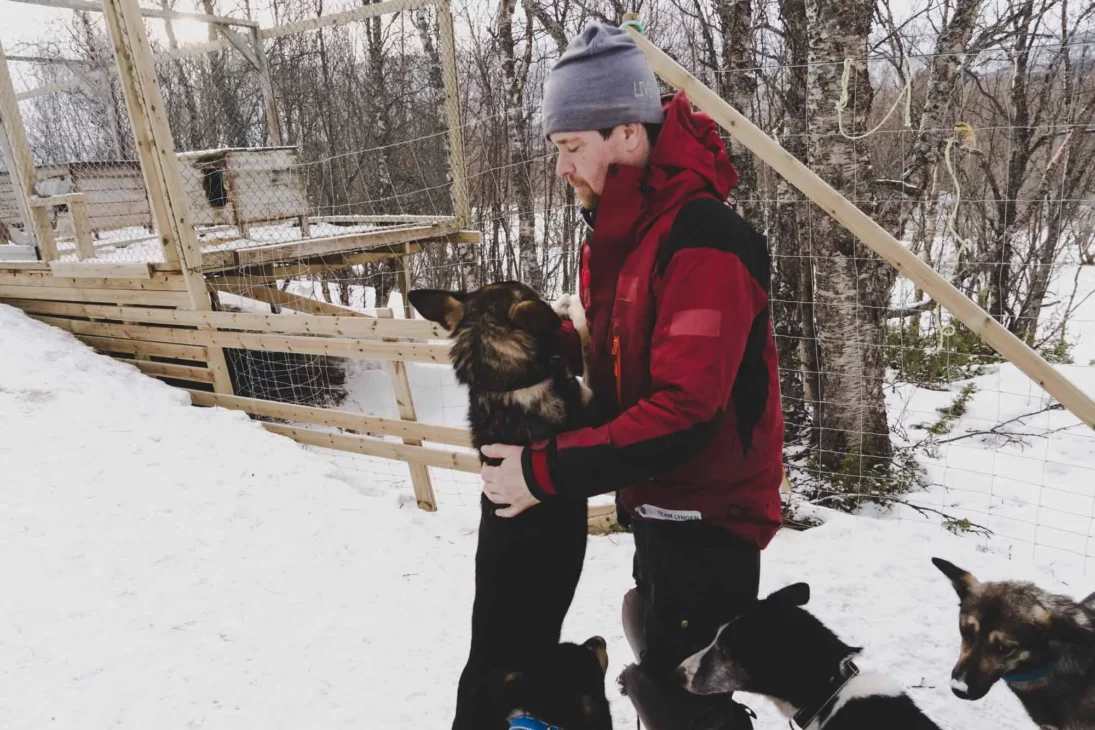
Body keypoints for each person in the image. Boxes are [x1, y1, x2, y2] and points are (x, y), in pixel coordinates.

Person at [478, 21, 784, 730]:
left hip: (708, 516)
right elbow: (622, 365)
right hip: (659, 503)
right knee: (660, 672)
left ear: (626, 132)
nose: (562, 168)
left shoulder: (702, 236)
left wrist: (540, 472)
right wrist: (540, 339)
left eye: (570, 147)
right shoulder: (622, 234)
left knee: (683, 700)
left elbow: (685, 410)